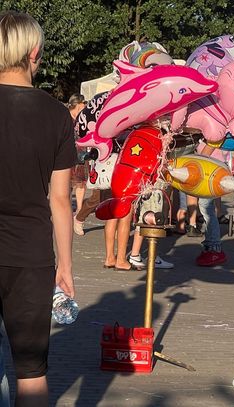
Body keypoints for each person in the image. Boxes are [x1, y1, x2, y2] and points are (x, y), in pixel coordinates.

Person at [0, 11, 76, 406]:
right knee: (31, 374)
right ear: (34, 51)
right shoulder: (56, 114)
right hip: (31, 256)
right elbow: (60, 200)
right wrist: (65, 266)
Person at [67, 93, 88, 235]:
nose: (85, 107)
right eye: (83, 105)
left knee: (81, 183)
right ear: (77, 104)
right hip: (66, 156)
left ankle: (79, 210)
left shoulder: (83, 119)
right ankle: (66, 212)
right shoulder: (65, 117)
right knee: (66, 185)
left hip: (81, 155)